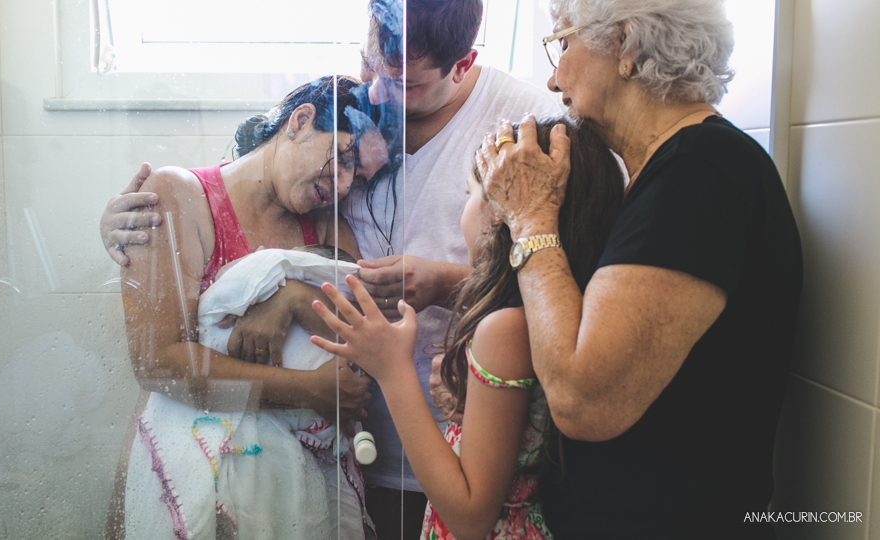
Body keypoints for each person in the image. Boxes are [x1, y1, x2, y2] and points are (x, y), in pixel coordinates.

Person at [100, 1, 560, 538]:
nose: (381, 92)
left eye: (405, 84)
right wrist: (126, 229)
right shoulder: (340, 141)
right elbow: (237, 187)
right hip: (343, 453)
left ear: (463, 64)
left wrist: (433, 284)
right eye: (371, 67)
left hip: (457, 449)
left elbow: (560, 278)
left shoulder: (525, 123)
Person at [474, 0, 802, 538]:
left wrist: (530, 216)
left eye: (562, 41)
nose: (554, 78)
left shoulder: (701, 174)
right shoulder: (675, 172)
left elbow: (584, 400)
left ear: (624, 46)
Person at [309, 117, 624, 540]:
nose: (466, 208)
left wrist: (391, 368)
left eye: (470, 194)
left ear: (499, 212)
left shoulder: (505, 329)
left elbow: (470, 516)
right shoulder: (560, 310)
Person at [112, 76, 388, 540]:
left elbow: (360, 350)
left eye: (356, 179)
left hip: (302, 482)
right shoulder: (179, 195)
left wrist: (294, 297)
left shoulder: (327, 226)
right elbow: (157, 363)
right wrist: (306, 388)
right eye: (341, 159)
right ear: (300, 121)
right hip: (197, 457)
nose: (341, 185)